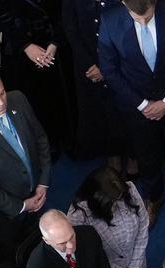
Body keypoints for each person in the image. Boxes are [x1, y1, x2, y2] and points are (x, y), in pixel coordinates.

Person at [99, 0, 165, 229]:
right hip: (138, 106)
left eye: (148, 16)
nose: (145, 21)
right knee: (146, 155)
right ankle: (154, 198)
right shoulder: (109, 20)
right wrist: (142, 104)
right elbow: (109, 70)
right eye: (138, 19)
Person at [66, 166, 150, 268]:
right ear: (97, 198)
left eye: (119, 198)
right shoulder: (78, 216)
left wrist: (136, 266)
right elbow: (89, 258)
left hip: (137, 267)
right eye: (111, 202)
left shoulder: (128, 189)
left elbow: (143, 226)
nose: (117, 204)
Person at [0, 0, 74, 154]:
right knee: (29, 100)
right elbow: (3, 16)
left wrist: (55, 43)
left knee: (61, 96)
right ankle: (41, 146)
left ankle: (65, 138)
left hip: (55, 47)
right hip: (19, 52)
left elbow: (65, 11)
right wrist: (26, 45)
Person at [61, 0, 124, 161]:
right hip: (87, 65)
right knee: (99, 110)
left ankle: (132, 156)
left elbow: (128, 25)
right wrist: (90, 64)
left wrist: (106, 67)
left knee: (124, 109)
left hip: (120, 62)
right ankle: (113, 155)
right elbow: (71, 30)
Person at [0, 77, 51, 263]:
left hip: (37, 193)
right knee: (13, 254)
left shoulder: (18, 99)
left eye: (2, 93)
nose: (1, 102)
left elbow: (40, 139)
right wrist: (21, 206)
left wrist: (43, 182)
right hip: (6, 213)